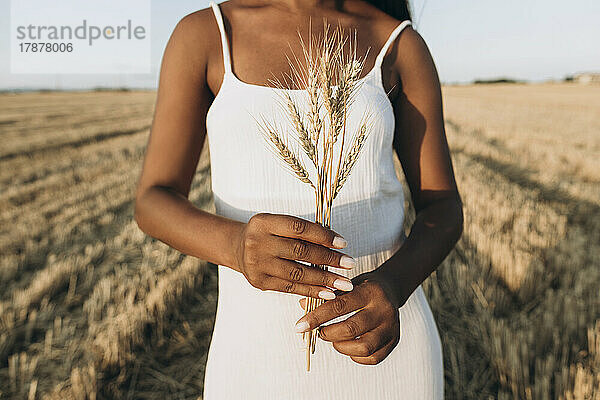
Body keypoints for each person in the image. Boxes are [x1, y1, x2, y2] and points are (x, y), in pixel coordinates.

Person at [134, 0, 463, 398]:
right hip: (254, 357)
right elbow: (153, 199)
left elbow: (442, 207)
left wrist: (393, 284)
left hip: (385, 348)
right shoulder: (207, 34)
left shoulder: (398, 44)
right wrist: (237, 246)